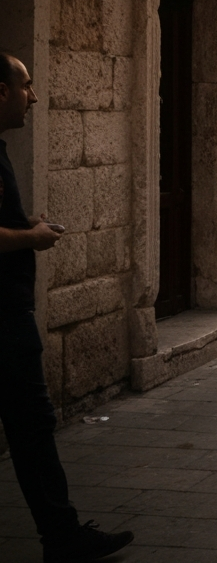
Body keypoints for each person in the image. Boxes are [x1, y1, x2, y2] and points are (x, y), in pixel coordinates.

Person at [0, 54, 136, 562]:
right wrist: (30, 236)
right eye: (26, 86)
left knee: (32, 428)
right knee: (33, 427)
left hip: (9, 313)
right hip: (5, 320)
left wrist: (21, 222)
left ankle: (61, 532)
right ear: (1, 91)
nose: (33, 96)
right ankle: (62, 535)